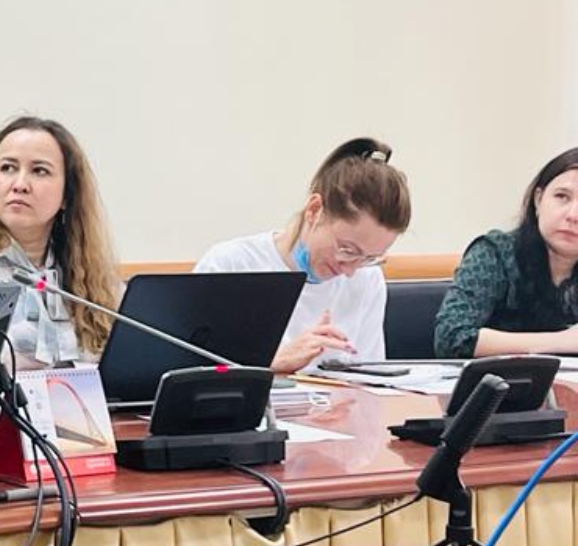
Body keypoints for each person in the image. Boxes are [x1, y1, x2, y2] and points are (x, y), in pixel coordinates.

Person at [195, 138, 411, 373]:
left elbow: (371, 379)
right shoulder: (231, 266)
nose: (349, 270)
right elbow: (191, 376)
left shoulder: (367, 279)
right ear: (314, 210)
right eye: (347, 249)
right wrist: (270, 365)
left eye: (369, 258)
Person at [0, 117, 122, 366]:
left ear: (67, 195)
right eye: (7, 168)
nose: (20, 185)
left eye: (39, 171)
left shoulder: (94, 277)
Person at [435, 148, 578, 357]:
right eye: (562, 197)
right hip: (500, 377)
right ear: (538, 200)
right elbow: (452, 338)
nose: (573, 215)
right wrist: (562, 341)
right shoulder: (496, 253)